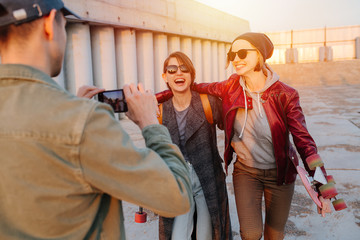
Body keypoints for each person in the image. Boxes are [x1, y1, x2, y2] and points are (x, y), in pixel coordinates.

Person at [0, 1, 192, 239]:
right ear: (50, 24)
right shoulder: (83, 121)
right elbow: (177, 195)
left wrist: (71, 107)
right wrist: (150, 123)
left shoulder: (75, 116)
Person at [156, 32, 332, 240]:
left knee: (274, 235)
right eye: (232, 55)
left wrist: (324, 189)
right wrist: (152, 98)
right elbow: (190, 87)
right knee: (250, 234)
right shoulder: (230, 87)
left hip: (281, 174)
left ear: (259, 55)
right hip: (246, 172)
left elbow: (305, 143)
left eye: (242, 53)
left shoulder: (285, 94)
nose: (235, 59)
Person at [157, 52, 232, 240]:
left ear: (192, 75)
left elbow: (233, 127)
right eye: (172, 70)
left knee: (207, 234)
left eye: (184, 69)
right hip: (177, 183)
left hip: (206, 179)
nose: (178, 74)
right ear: (165, 77)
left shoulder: (208, 102)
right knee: (177, 235)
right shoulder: (159, 110)